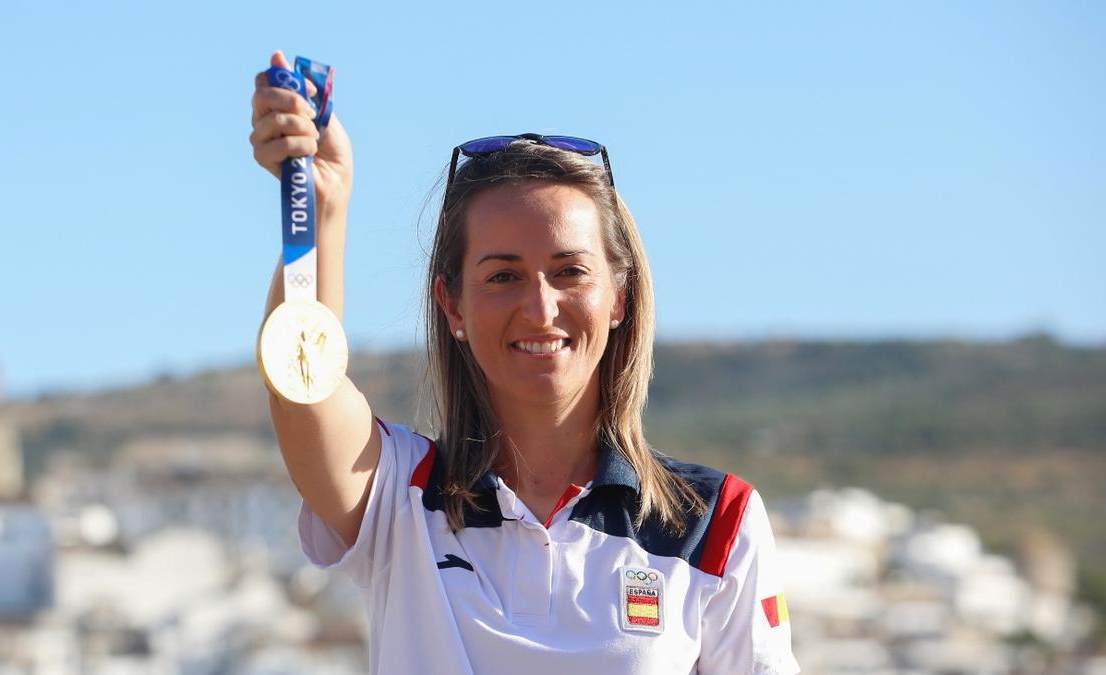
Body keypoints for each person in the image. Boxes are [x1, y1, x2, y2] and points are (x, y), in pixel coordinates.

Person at [249, 50, 800, 675]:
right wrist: (320, 208)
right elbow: (302, 380)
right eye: (504, 275)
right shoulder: (400, 497)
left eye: (569, 272)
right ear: (451, 304)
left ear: (619, 296)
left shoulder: (715, 520)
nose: (540, 308)